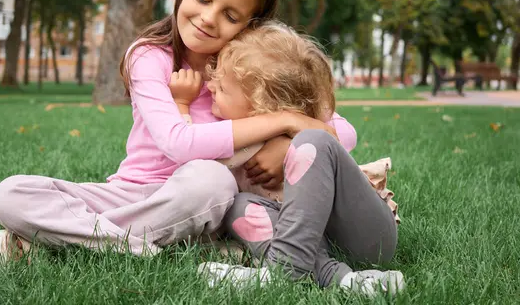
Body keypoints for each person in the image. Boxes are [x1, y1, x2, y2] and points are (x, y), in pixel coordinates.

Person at [0, 0, 346, 264]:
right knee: (11, 194)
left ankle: (72, 242)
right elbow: (178, 143)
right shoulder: (148, 56)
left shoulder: (250, 71)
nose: (209, 18)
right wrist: (283, 122)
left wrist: (287, 149)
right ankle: (145, 245)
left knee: (211, 178)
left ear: (250, 25)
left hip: (211, 204)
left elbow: (341, 133)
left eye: (231, 15)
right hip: (135, 194)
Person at [169, 22, 404, 297]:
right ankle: (341, 280)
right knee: (239, 205)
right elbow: (191, 151)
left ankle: (283, 272)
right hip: (312, 247)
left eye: (221, 87)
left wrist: (289, 143)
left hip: (363, 237)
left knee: (314, 141)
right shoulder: (231, 137)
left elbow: (336, 135)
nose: (209, 86)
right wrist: (181, 105)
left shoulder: (306, 133)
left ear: (260, 104)